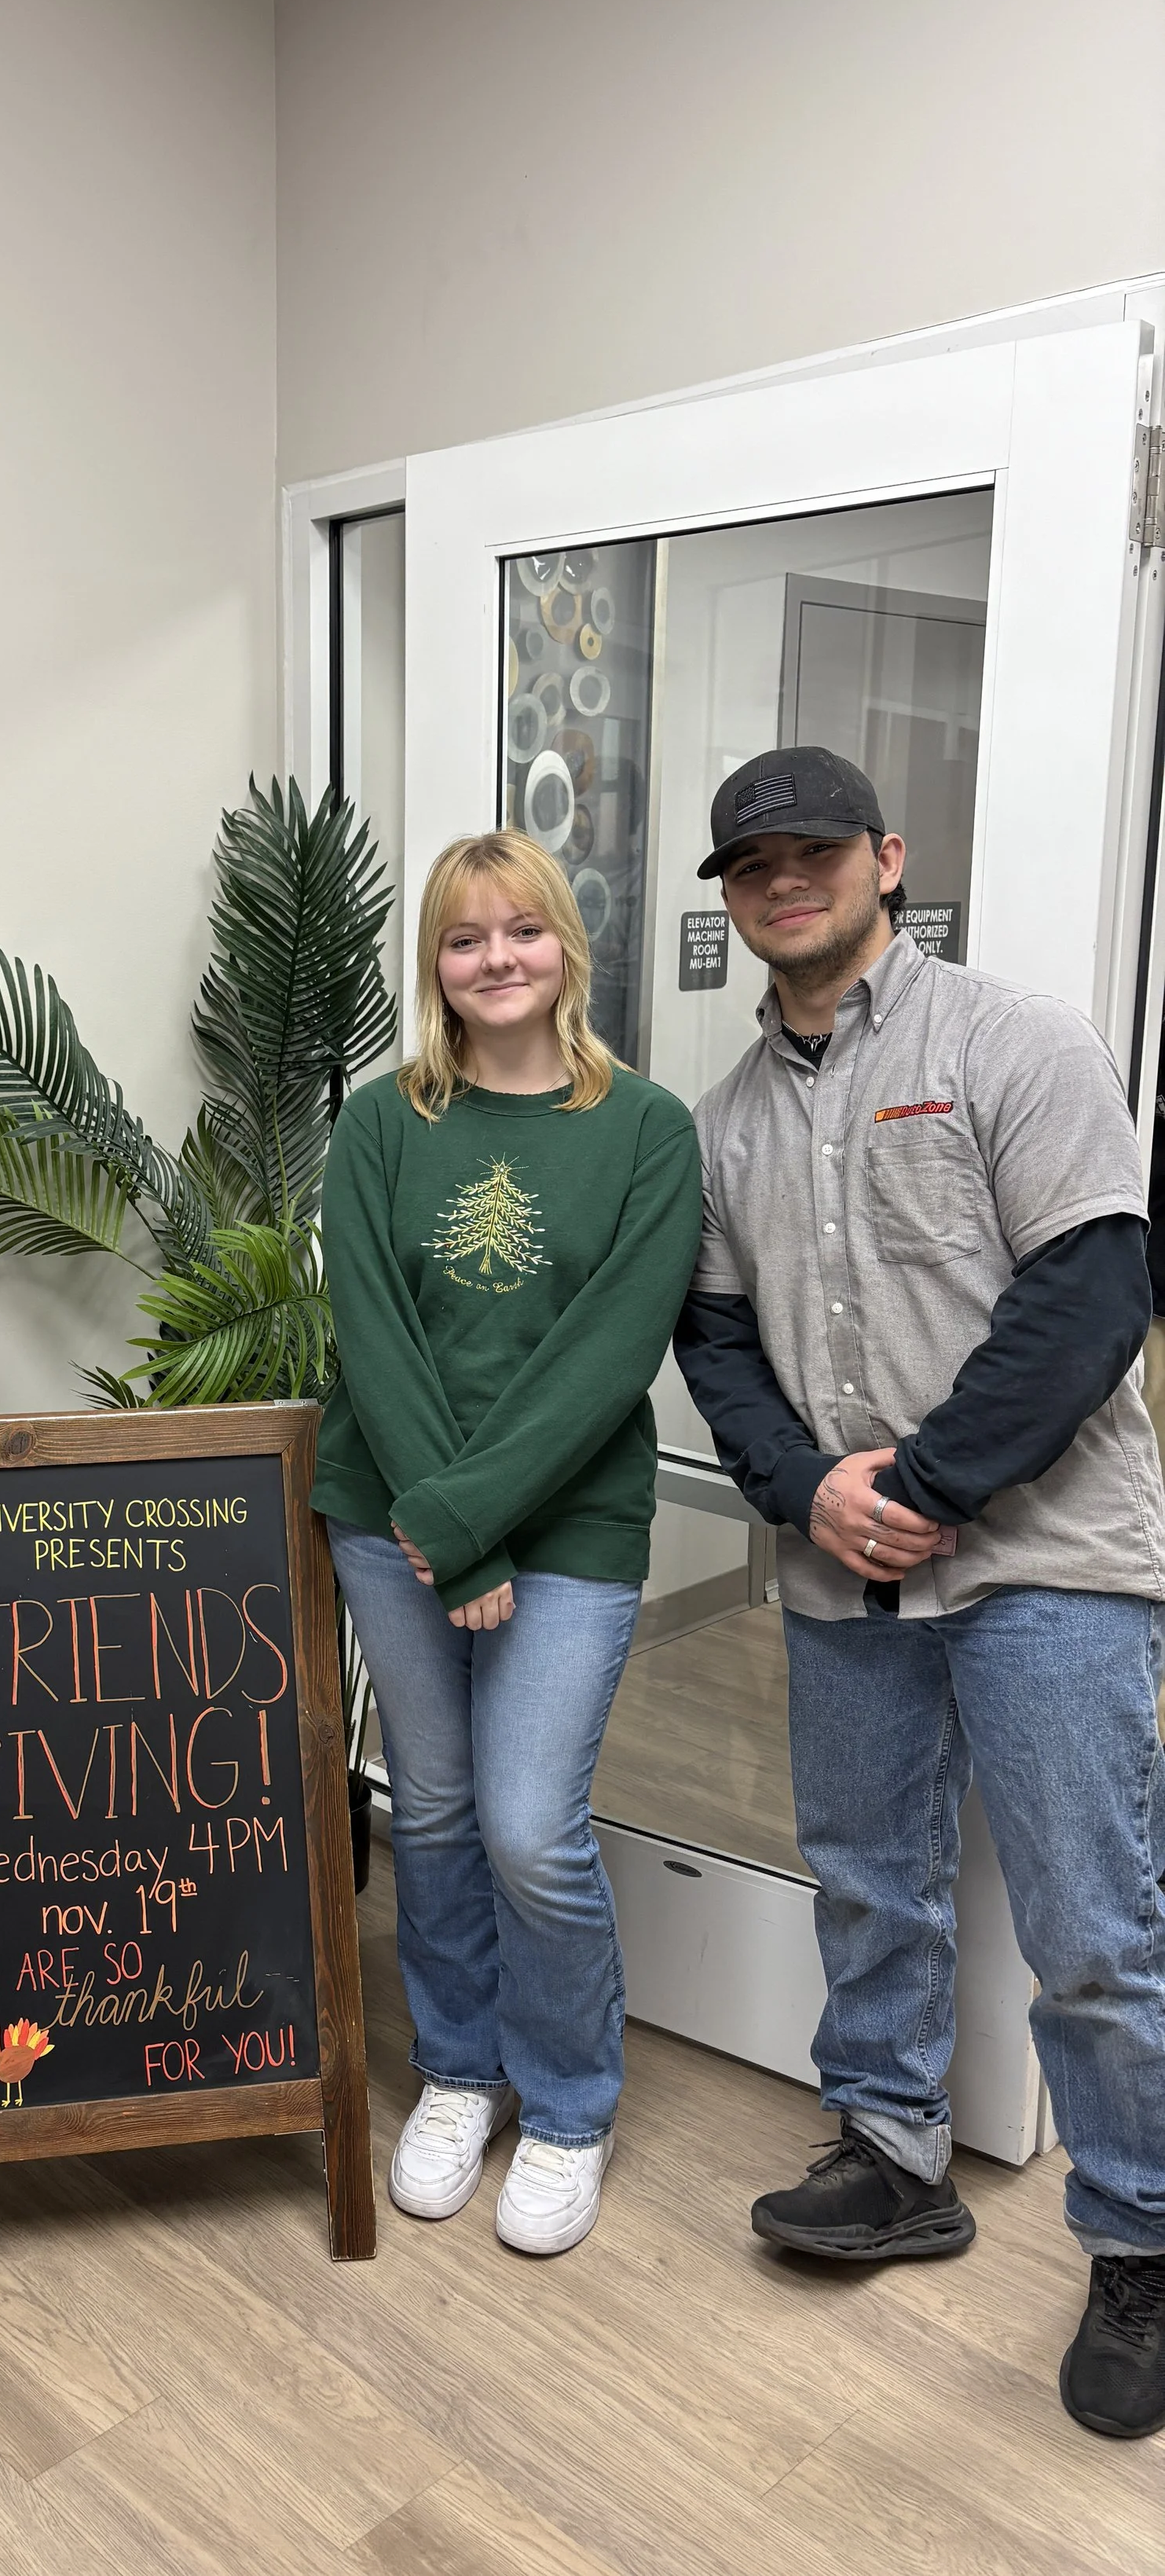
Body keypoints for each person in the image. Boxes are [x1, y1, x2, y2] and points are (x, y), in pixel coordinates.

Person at [673, 743, 1165, 2441]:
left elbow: (1093, 1291)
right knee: (869, 1879)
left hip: (1045, 1561)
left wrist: (925, 1485)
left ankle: (1139, 2238)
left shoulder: (1012, 1041)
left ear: (887, 860)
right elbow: (716, 1346)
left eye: (812, 851)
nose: (781, 881)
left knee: (1093, 1925)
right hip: (842, 1574)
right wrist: (808, 1490)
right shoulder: (723, 1124)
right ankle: (891, 2154)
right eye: (751, 866)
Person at [315, 831, 701, 2255]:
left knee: (529, 1826)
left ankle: (570, 2104)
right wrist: (448, 1534)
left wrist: (473, 1525)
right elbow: (374, 1335)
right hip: (392, 1521)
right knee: (428, 1810)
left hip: (570, 1529)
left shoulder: (646, 1129)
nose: (497, 960)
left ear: (566, 946)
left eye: (522, 930)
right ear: (435, 964)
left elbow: (607, 1358)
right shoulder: (382, 1124)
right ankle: (461, 2069)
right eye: (465, 938)